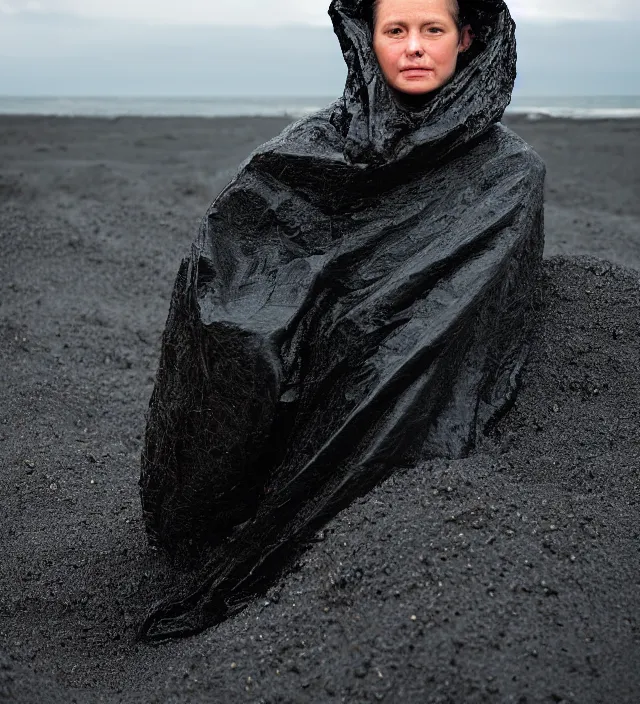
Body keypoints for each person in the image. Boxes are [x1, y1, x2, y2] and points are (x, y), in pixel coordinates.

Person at [139, 0, 545, 640]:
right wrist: (268, 336)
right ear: (368, 38)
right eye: (396, 30)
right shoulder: (309, 151)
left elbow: (477, 309)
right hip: (294, 390)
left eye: (432, 29)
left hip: (398, 404)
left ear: (467, 38)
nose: (414, 47)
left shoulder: (510, 175)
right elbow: (236, 253)